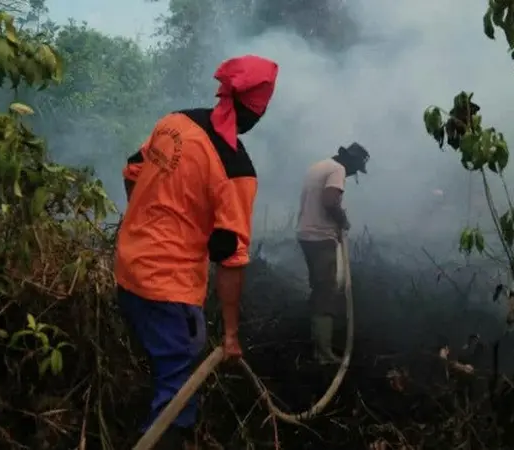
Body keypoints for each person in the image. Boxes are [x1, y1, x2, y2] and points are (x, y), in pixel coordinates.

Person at [115, 55, 279, 449]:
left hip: (127, 270)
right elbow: (229, 257)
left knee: (156, 366)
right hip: (168, 290)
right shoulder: (235, 167)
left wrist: (142, 227)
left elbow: (132, 172)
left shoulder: (175, 123)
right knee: (179, 393)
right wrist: (231, 335)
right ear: (257, 112)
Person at [295, 142, 370, 365]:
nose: (354, 173)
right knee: (326, 292)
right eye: (356, 168)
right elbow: (329, 200)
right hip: (320, 237)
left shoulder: (320, 165)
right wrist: (342, 219)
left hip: (307, 234)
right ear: (350, 161)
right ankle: (324, 353)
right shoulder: (338, 170)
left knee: (320, 288)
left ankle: (317, 344)